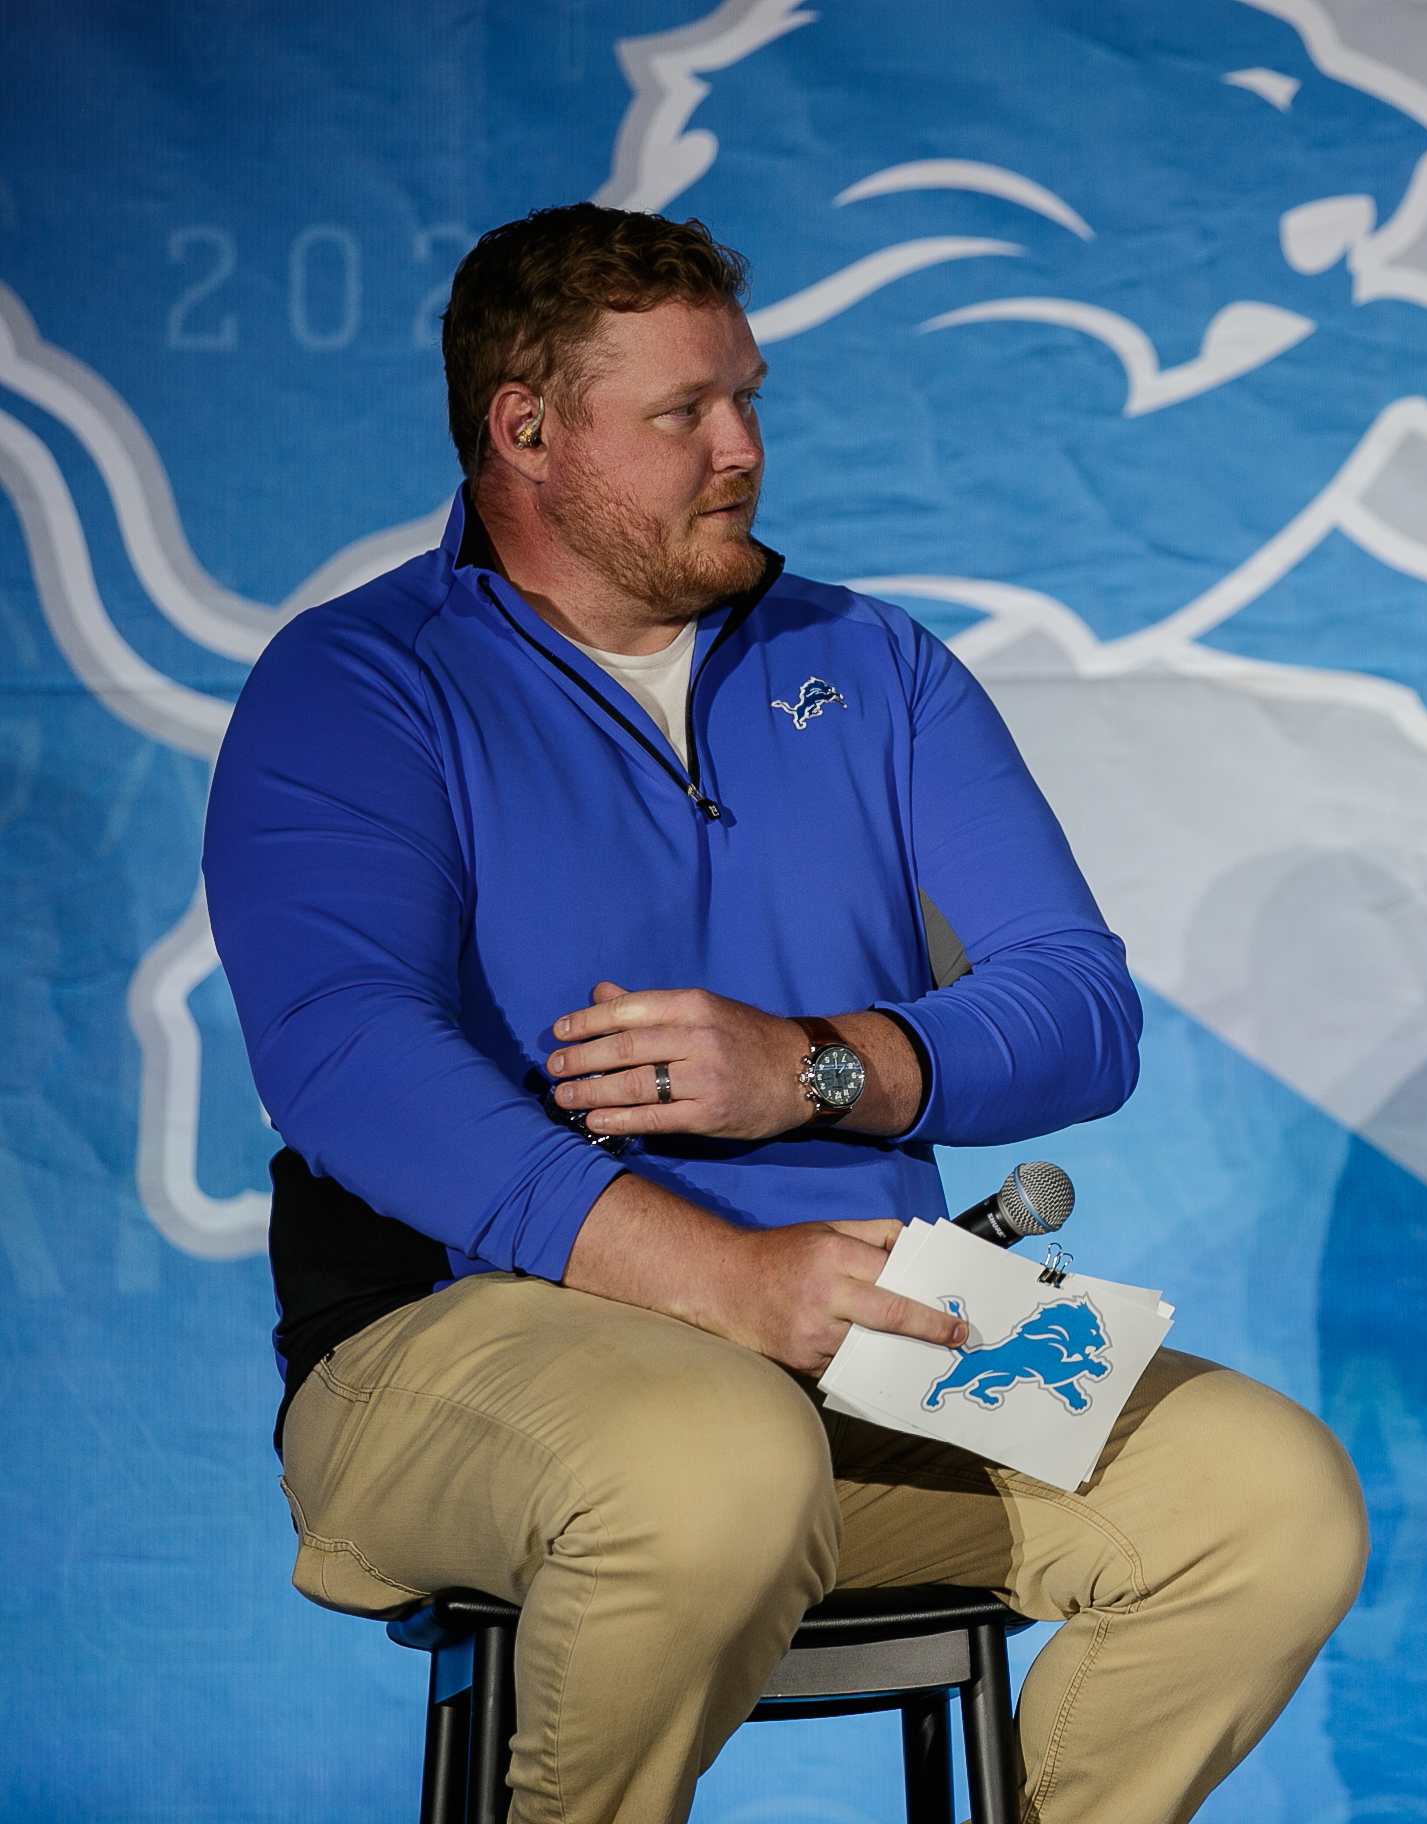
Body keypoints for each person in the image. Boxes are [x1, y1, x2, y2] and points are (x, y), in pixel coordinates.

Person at [205, 204, 1366, 1824]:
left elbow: (1081, 1010)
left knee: (1269, 1497)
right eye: (683, 412)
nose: (741, 447)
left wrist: (818, 1068)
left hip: (863, 1335)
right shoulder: (361, 679)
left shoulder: (872, 664)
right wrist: (721, 1278)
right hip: (452, 1340)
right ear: (523, 431)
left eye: (749, 398)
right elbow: (341, 1055)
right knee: (715, 1465)